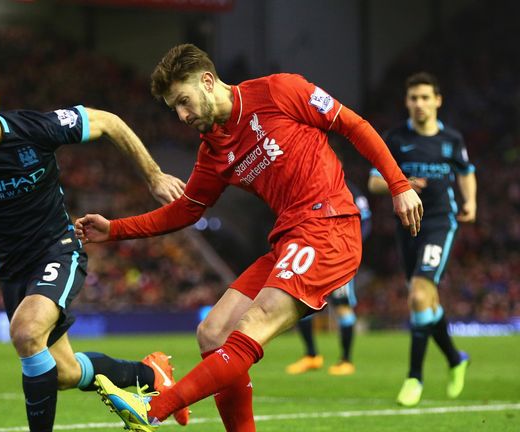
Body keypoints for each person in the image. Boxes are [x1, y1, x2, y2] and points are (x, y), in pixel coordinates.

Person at [74, 44, 422, 431]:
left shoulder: (279, 91)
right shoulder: (214, 150)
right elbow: (187, 209)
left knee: (250, 326)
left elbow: (352, 125)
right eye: (175, 108)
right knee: (212, 333)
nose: (182, 115)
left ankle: (154, 409)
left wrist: (399, 184)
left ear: (207, 81)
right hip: (289, 239)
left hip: (329, 226)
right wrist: (115, 229)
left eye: (184, 101)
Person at [0, 73, 190, 432]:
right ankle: (150, 372)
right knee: (64, 373)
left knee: (25, 332)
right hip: (11, 270)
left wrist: (154, 176)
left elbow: (110, 122)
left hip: (57, 249)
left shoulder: (37, 128)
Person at [368, 72, 476, 407]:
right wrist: (402, 184)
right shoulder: (396, 138)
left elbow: (466, 171)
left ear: (437, 101)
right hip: (407, 224)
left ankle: (414, 377)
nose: (419, 104)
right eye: (414, 98)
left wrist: (470, 202)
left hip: (440, 222)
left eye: (425, 97)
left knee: (418, 294)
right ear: (407, 102)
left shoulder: (452, 139)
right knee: (426, 300)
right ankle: (456, 359)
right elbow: (374, 182)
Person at [285, 181, 372, 376]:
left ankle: (346, 360)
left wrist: (349, 245)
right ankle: (311, 355)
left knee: (342, 306)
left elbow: (366, 221)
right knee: (303, 303)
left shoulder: (351, 190)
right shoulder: (313, 188)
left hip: (340, 256)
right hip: (315, 255)